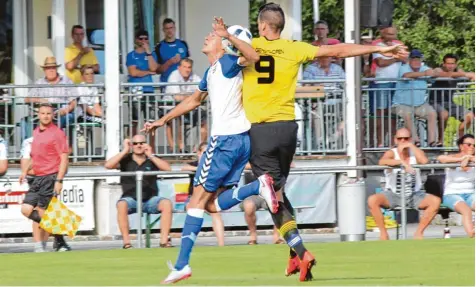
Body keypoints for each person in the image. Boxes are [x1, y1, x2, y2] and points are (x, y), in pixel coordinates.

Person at [240, 2, 408, 281]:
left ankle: (302, 252)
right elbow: (339, 49)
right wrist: (378, 47)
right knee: (279, 192)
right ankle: (294, 257)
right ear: (280, 27)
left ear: (261, 26)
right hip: (288, 129)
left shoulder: (250, 45)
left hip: (261, 130)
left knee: (272, 199)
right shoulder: (294, 48)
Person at [143, 20, 278, 284]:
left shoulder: (228, 62)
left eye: (212, 36)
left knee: (195, 202)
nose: (207, 37)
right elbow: (194, 100)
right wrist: (164, 119)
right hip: (240, 141)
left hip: (224, 142)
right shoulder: (212, 70)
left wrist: (226, 34)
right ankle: (256, 187)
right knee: (214, 204)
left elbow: (253, 56)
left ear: (225, 44)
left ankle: (182, 265)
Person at [368, 128, 441, 240]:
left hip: (414, 194)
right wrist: (402, 163)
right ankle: (383, 234)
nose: (403, 141)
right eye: (400, 138)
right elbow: (382, 161)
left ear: (410, 139)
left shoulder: (414, 153)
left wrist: (411, 146)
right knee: (372, 200)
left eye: (406, 138)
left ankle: (419, 233)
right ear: (395, 140)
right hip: (393, 194)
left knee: (435, 201)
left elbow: (424, 161)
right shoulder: (392, 153)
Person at [104, 135, 173, 249]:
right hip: (131, 199)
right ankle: (127, 243)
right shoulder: (126, 159)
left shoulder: (152, 159)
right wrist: (125, 150)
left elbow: (167, 168)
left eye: (142, 143)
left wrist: (150, 155)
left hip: (150, 199)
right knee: (122, 204)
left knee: (166, 204)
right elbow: (108, 165)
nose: (139, 146)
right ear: (132, 145)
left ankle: (164, 241)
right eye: (135, 143)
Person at [19, 103, 71, 252]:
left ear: (53, 115)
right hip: (37, 177)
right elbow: (35, 156)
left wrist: (59, 180)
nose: (46, 116)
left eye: (48, 113)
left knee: (42, 212)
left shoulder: (57, 133)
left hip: (50, 176)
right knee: (26, 209)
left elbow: (64, 158)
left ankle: (56, 241)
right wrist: (25, 171)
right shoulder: (36, 132)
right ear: (38, 114)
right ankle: (60, 238)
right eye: (43, 113)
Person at [181, 142, 225, 246]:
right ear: (199, 153)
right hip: (193, 198)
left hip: (209, 198)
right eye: (205, 152)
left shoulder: (215, 165)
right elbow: (184, 167)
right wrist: (200, 169)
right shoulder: (195, 164)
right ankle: (188, 244)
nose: (207, 155)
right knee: (191, 210)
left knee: (216, 214)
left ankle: (221, 245)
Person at [437, 134, 475, 237]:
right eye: (469, 144)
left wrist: (470, 158)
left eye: (474, 145)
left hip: (470, 193)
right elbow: (441, 158)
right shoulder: (452, 157)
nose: (472, 147)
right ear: (461, 146)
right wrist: (462, 159)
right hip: (452, 194)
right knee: (466, 210)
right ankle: (471, 235)